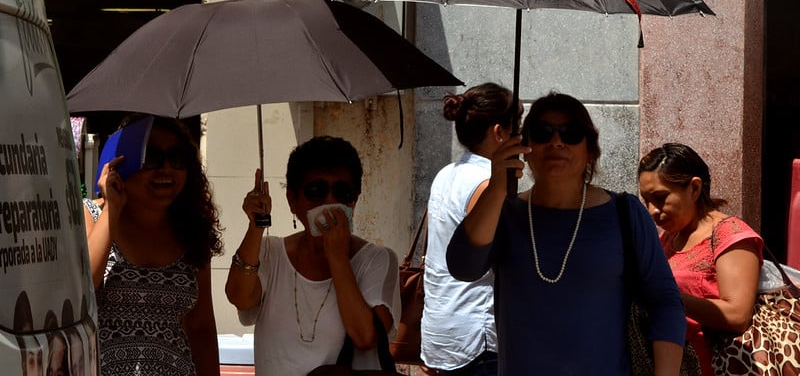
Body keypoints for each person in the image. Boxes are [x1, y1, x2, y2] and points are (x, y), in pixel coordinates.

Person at [447, 92, 687, 375]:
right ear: (525, 145)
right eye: (542, 132)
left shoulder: (624, 212)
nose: (556, 142)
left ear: (591, 150)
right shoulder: (505, 212)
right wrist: (497, 186)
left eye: (571, 133)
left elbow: (665, 302)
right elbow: (463, 267)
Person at [225, 136, 401, 376]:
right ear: (292, 201)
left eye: (342, 192)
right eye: (316, 191)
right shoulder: (270, 253)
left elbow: (365, 337)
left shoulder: (376, 260)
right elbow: (240, 297)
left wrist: (337, 258)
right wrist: (256, 227)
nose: (330, 201)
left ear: (355, 200)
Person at [86, 115, 223, 376]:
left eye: (178, 158)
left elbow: (201, 327)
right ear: (120, 163)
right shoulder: (91, 215)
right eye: (152, 157)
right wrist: (111, 209)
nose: (167, 168)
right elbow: (83, 289)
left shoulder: (191, 230)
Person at [638, 143, 763, 376]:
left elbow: (737, 315)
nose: (653, 210)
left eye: (660, 198)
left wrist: (666, 295)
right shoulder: (668, 239)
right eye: (646, 200)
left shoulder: (730, 234)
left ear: (694, 188)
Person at [422, 83, 517, 375]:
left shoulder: (445, 174)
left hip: (441, 332)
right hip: (477, 336)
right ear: (500, 132)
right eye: (519, 123)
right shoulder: (489, 185)